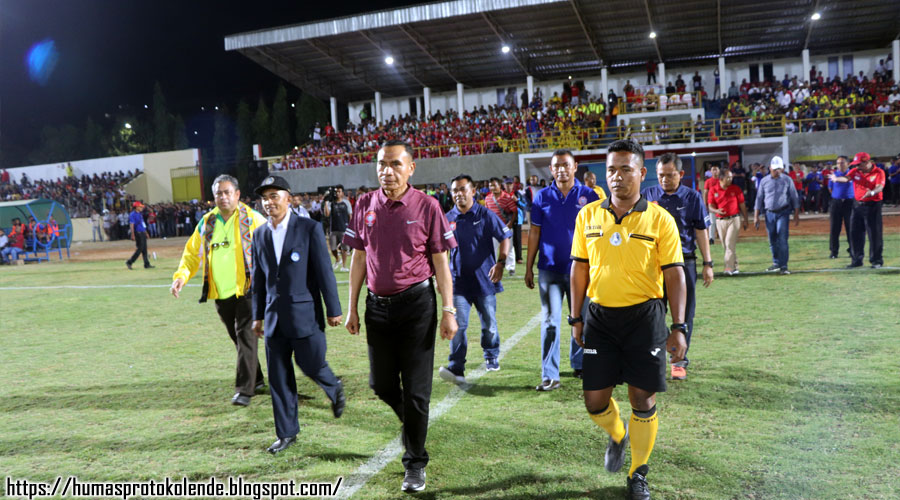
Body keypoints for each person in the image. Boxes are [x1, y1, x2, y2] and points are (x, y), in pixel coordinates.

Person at [570, 139, 687, 500]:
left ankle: (638, 474)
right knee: (594, 401)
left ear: (641, 172)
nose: (617, 176)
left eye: (625, 169)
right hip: (599, 317)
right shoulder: (588, 215)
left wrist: (679, 327)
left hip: (644, 317)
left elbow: (675, 274)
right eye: (611, 170)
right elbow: (579, 269)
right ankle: (618, 434)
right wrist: (575, 318)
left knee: (642, 398)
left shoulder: (660, 219)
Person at [343, 140, 458, 492]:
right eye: (381, 164)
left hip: (417, 307)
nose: (387, 171)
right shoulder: (364, 204)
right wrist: (352, 307)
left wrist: (449, 310)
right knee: (381, 384)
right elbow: (358, 258)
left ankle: (415, 463)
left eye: (395, 164)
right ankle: (413, 426)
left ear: (411, 168)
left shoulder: (427, 206)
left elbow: (441, 262)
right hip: (376, 308)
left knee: (417, 391)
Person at [251, 175, 346, 454]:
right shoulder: (259, 234)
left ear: (288, 198)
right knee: (279, 378)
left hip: (304, 314)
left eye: (274, 196)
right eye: (264, 198)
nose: (269, 202)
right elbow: (259, 280)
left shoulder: (309, 228)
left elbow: (324, 272)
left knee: (312, 364)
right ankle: (286, 433)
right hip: (273, 318)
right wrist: (257, 315)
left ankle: (334, 387)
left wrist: (334, 309)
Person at [170, 175, 269, 407]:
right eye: (218, 193)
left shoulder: (253, 219)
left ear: (237, 194)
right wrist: (181, 276)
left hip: (248, 291)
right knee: (238, 339)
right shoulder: (207, 222)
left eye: (227, 192)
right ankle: (257, 379)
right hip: (220, 293)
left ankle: (244, 390)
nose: (223, 197)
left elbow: (272, 247)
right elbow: (192, 254)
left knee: (245, 336)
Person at [525, 149, 600, 391]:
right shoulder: (542, 197)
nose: (561, 169)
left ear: (575, 166)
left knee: (583, 319)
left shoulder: (589, 195)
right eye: (556, 165)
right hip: (550, 270)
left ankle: (581, 364)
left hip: (581, 269)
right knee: (550, 321)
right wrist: (529, 267)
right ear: (551, 169)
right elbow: (534, 232)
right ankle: (550, 374)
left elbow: (597, 234)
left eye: (566, 165)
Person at [642, 152, 714, 381]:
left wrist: (708, 263)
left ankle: (679, 362)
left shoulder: (692, 197)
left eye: (670, 175)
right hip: (655, 265)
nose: (665, 180)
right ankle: (658, 356)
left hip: (684, 263)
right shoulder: (648, 196)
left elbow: (701, 231)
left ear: (681, 174)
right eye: (661, 175)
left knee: (683, 315)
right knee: (652, 313)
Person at [439, 174, 511, 384]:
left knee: (489, 325)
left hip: (484, 281)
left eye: (462, 189)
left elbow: (505, 237)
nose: (458, 194)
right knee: (458, 326)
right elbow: (441, 250)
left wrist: (501, 263)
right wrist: (441, 277)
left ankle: (491, 354)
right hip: (458, 283)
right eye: (455, 190)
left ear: (472, 191)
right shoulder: (447, 218)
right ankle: (456, 367)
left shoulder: (485, 214)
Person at [830, 152, 885, 269]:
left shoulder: (878, 172)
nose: (857, 166)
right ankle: (856, 260)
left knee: (874, 233)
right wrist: (836, 179)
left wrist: (872, 192)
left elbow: (880, 186)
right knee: (855, 233)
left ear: (867, 162)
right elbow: (846, 178)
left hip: (872, 205)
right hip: (857, 205)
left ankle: (876, 260)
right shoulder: (855, 171)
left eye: (859, 164)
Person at [753, 156, 800, 275]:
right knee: (772, 240)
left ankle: (784, 265)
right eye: (774, 169)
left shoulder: (787, 180)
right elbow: (759, 198)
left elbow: (794, 196)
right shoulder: (764, 181)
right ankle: (776, 263)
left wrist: (796, 214)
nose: (776, 171)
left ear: (782, 169)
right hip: (769, 214)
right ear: (770, 168)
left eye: (778, 169)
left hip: (783, 212)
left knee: (782, 239)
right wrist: (756, 216)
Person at [707, 169, 749, 275]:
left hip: (734, 219)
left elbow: (742, 205)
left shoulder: (736, 189)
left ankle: (728, 268)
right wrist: (716, 211)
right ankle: (735, 267)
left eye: (731, 177)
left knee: (729, 244)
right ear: (721, 178)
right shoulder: (713, 190)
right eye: (728, 177)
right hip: (720, 221)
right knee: (726, 246)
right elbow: (710, 206)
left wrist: (746, 219)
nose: (731, 179)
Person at [484, 177, 518, 276]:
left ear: (499, 186)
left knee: (509, 248)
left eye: (494, 185)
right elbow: (487, 213)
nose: (492, 187)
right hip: (493, 228)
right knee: (493, 248)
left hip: (505, 227)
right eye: (490, 186)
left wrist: (510, 224)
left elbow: (514, 211)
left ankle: (511, 268)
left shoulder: (507, 197)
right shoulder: (488, 198)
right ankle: (493, 266)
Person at [828, 156, 853, 259]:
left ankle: (852, 250)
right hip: (836, 203)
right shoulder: (834, 174)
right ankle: (834, 251)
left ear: (848, 163)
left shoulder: (852, 173)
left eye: (842, 162)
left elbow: (847, 180)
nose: (839, 165)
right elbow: (830, 188)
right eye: (838, 163)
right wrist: (837, 196)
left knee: (851, 227)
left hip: (849, 202)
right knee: (834, 228)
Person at [323, 185, 352, 272]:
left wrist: (351, 227)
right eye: (336, 192)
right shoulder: (331, 203)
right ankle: (337, 259)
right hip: (333, 229)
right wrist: (326, 202)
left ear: (342, 193)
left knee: (344, 248)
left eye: (339, 191)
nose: (337, 193)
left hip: (344, 228)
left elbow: (350, 215)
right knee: (332, 248)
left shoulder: (346, 202)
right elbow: (327, 214)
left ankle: (344, 266)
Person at [125, 201, 154, 269]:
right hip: (138, 233)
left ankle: (146, 264)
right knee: (140, 248)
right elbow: (132, 225)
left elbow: (142, 224)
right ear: (136, 207)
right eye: (140, 207)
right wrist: (133, 234)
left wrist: (146, 232)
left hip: (142, 232)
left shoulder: (140, 214)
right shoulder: (132, 214)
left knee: (144, 249)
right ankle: (130, 261)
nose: (141, 208)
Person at [701, 165, 720, 244]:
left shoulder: (721, 180)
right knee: (712, 221)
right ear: (711, 172)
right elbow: (705, 193)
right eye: (713, 170)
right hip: (712, 204)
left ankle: (720, 235)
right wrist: (705, 203)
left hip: (721, 203)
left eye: (716, 169)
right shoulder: (708, 181)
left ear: (719, 171)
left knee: (720, 221)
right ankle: (711, 238)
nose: (715, 171)